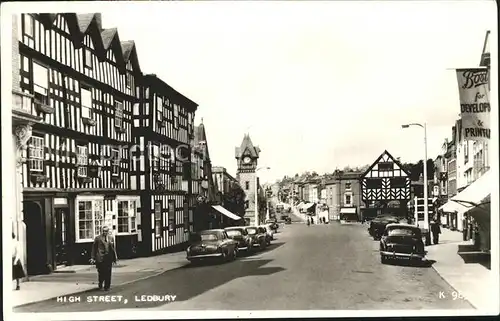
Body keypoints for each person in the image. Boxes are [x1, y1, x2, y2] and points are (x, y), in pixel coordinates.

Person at [90, 226, 117, 291]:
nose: (105, 232)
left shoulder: (111, 238)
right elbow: (94, 249)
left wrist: (114, 258)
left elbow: (113, 249)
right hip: (100, 257)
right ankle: (100, 283)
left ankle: (107, 286)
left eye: (106, 231)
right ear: (101, 231)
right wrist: (92, 258)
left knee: (108, 272)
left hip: (108, 257)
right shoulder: (97, 238)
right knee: (101, 272)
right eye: (103, 231)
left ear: (108, 231)